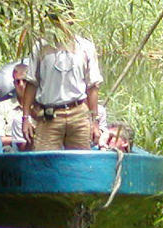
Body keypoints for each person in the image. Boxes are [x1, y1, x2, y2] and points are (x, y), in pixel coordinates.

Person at [20, 8, 103, 151]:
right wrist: (26, 118)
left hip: (78, 113)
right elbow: (31, 83)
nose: (60, 23)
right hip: (49, 115)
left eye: (64, 17)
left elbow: (93, 86)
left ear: (72, 18)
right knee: (44, 162)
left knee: (80, 163)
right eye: (55, 18)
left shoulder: (85, 47)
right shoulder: (40, 47)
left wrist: (95, 122)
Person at [0, 64, 29, 149]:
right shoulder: (1, 107)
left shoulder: (40, 107)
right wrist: (18, 140)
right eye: (17, 82)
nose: (21, 85)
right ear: (14, 84)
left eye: (24, 81)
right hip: (11, 153)